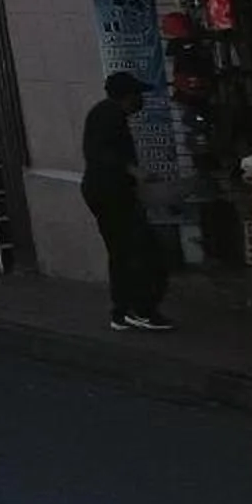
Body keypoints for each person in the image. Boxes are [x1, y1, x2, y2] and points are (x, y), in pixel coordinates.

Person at [83, 70, 172, 333]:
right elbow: (101, 151)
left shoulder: (106, 113)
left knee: (122, 252)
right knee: (142, 251)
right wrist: (135, 171)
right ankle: (141, 309)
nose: (141, 102)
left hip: (104, 191)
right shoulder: (109, 114)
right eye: (138, 95)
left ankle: (122, 311)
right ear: (128, 96)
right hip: (110, 193)